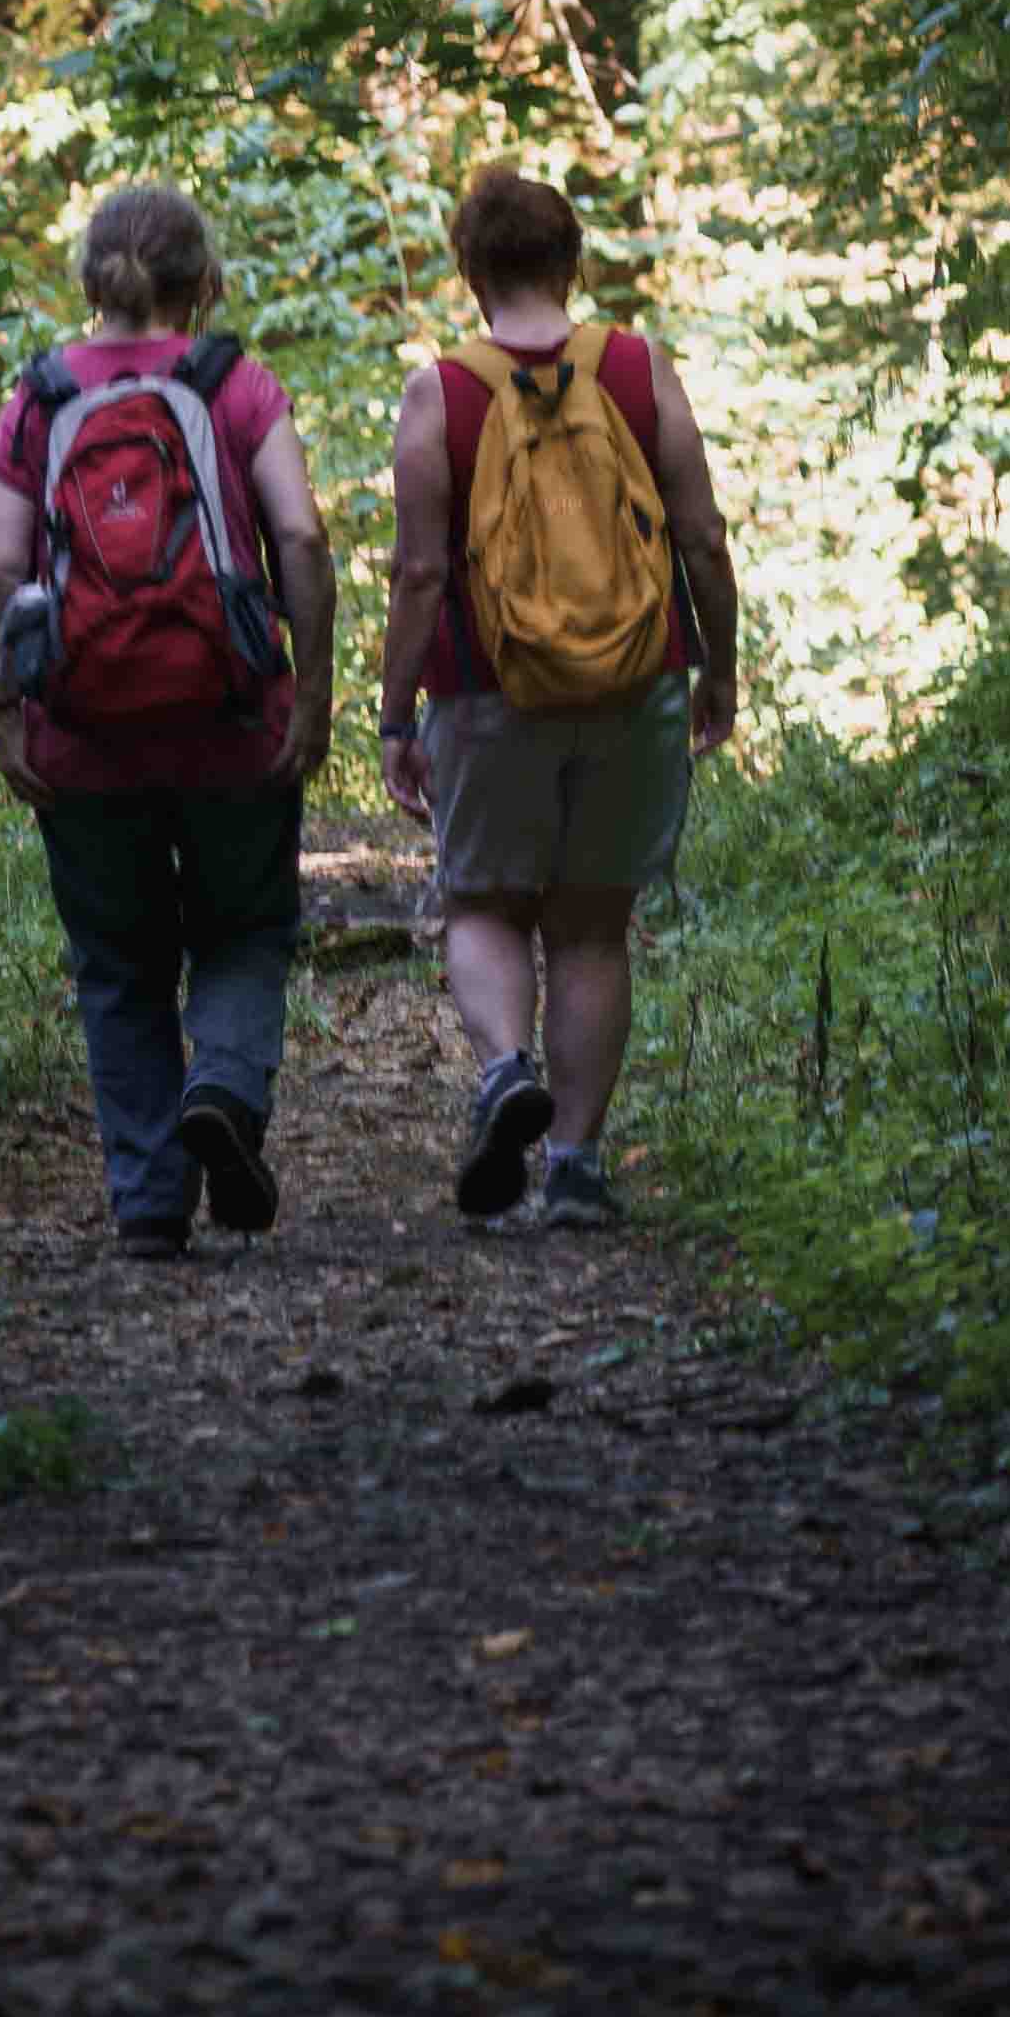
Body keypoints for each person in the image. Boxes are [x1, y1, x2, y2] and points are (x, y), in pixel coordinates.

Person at [0, 179, 336, 1259]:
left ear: (91, 280)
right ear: (200, 282)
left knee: (119, 965)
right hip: (230, 719)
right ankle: (221, 1087)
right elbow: (303, 544)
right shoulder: (233, 385)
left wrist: (8, 712)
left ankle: (146, 1203)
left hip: (83, 736)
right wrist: (311, 693)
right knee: (244, 931)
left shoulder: (36, 398)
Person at [378, 159, 738, 1231]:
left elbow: (419, 574)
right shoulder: (634, 368)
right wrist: (717, 664)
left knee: (484, 901)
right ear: (571, 258)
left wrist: (396, 713)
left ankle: (502, 1074)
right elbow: (702, 537)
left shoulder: (443, 389)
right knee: (590, 925)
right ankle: (575, 1165)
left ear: (469, 269)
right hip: (635, 680)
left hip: (489, 691)